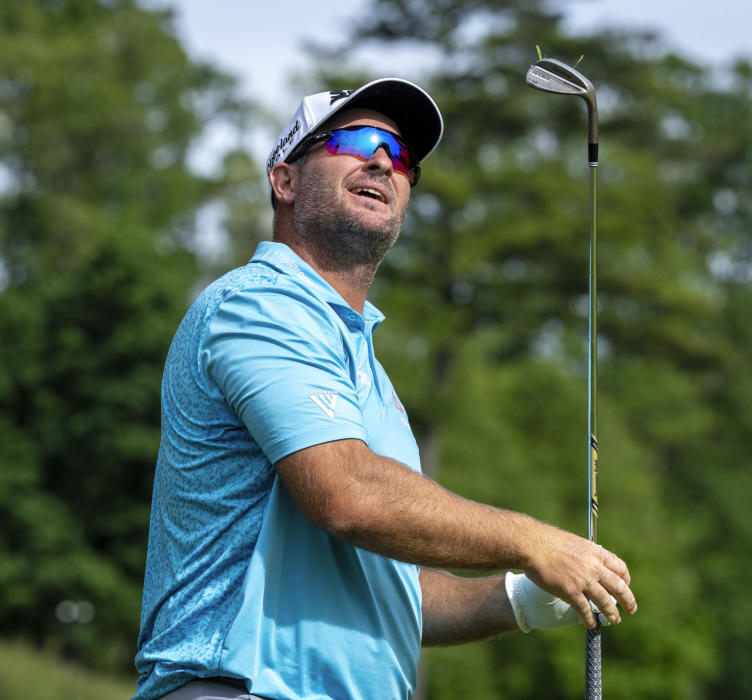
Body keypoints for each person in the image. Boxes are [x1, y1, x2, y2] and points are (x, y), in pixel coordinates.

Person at [133, 78, 636, 700]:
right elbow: (348, 494)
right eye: (355, 141)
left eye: (401, 158)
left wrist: (522, 598)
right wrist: (532, 540)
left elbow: (396, 593)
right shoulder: (258, 304)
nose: (382, 162)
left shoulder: (365, 367)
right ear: (285, 181)